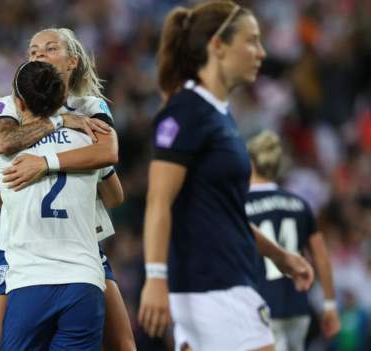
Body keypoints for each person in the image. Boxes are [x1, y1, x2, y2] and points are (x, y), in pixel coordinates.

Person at [137, 1, 315, 350]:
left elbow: (225, 212)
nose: (260, 53)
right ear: (217, 45)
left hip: (225, 284)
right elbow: (159, 201)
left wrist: (280, 256)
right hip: (213, 290)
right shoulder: (186, 112)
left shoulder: (219, 115)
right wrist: (154, 277)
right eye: (251, 41)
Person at [0, 27, 135, 351]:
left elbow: (108, 153)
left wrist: (44, 162)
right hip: (22, 250)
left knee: (123, 343)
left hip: (76, 243)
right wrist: (60, 124)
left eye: (50, 48)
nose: (39, 54)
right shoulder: (9, 102)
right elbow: (1, 139)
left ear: (72, 62)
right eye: (34, 50)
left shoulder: (89, 105)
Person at [246, 131, 340, 351]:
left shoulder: (239, 205)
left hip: (259, 307)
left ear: (250, 162)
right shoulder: (299, 204)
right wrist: (330, 305)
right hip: (297, 306)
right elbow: (321, 258)